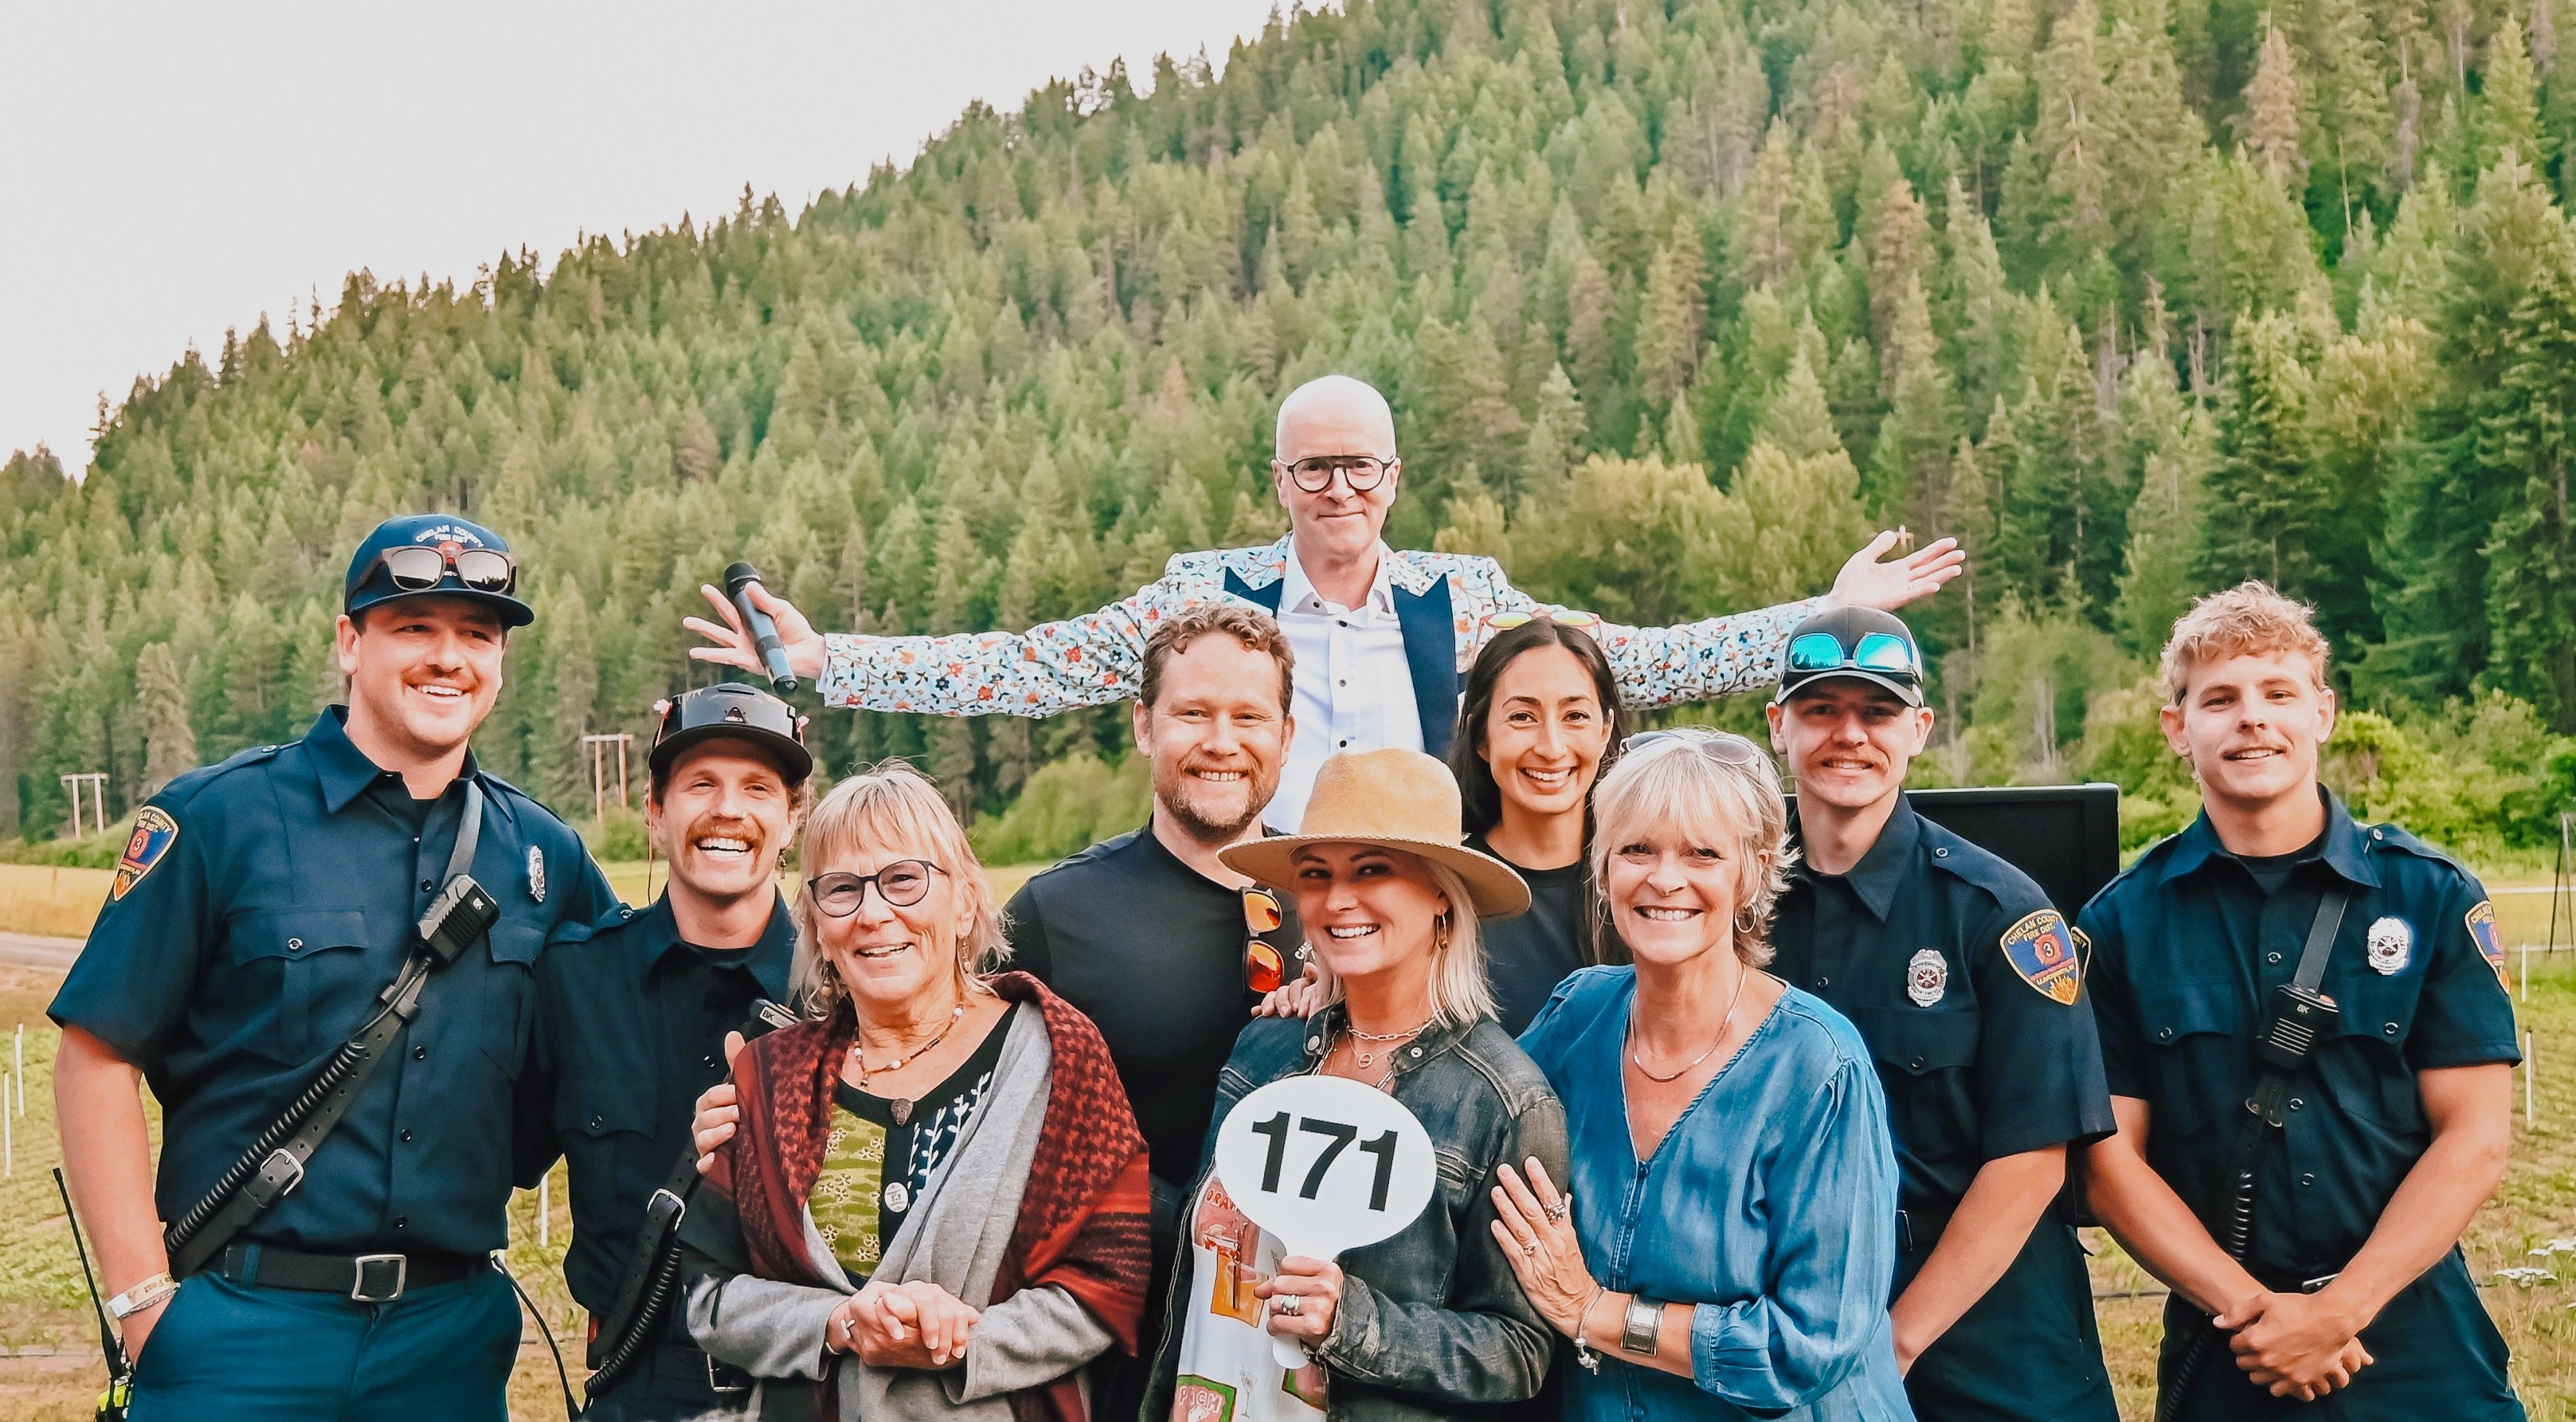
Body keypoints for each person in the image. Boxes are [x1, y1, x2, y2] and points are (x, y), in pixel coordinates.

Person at [683, 374, 1964, 832]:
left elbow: (1632, 663)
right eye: (1313, 467)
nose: (1338, 487)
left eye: (1359, 465)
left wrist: (1823, 613)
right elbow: (1031, 665)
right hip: (1239, 914)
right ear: (1279, 480)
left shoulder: (1462, 600)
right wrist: (828, 660)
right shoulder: (1205, 597)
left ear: (1394, 477)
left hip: (1429, 911)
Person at [49, 514, 616, 1421]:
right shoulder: (220, 819)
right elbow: (95, 1054)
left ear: (501, 662)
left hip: (449, 1344)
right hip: (241, 1333)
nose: (449, 657)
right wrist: (144, 1304)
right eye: (415, 627)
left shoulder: (545, 855)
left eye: (477, 634)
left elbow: (638, 1019)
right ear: (350, 642)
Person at [2078, 582, 2523, 1420]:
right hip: (2229, 1348)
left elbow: (2476, 1138)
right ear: (2177, 729)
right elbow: (2109, 1165)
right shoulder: (2121, 923)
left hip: (2418, 1342)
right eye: (2219, 699)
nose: (2252, 719)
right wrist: (2257, 1313)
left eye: (2278, 693)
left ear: (2323, 713)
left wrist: (2337, 1311)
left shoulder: (2430, 897)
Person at [679, 760, 1153, 1422]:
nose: (874, 913)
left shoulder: (1057, 1057)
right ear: (817, 927)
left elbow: (1110, 1281)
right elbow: (709, 1296)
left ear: (963, 902)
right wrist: (839, 1321)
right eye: (842, 889)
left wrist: (963, 1342)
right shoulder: (771, 1076)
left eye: (904, 879)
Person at [1760, 606, 2117, 1420]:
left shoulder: (2001, 914)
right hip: (1796, 1310)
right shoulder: (1739, 906)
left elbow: (2032, 1162)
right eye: (1822, 709)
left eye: (1877, 711)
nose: (1850, 734)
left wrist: (1891, 1345)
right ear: (1779, 725)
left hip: (1990, 1332)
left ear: (1919, 729)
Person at [1496, 730, 1911, 1421]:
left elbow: (1809, 1341)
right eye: (1637, 849)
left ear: (1752, 873)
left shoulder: (1819, 1067)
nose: (1665, 878)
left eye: (1702, 853)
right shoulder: (1576, 1017)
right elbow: (1469, 1125)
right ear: (1602, 868)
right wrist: (1348, 995)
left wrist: (1596, 1311)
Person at [1144, 748, 1568, 1421]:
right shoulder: (1265, 1047)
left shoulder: (1504, 1101)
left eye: (1373, 869)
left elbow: (1519, 1350)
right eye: (1316, 874)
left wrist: (1353, 1321)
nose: (1339, 899)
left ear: (1441, 893)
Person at [522, 682, 812, 1420]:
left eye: (757, 787)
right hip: (635, 1383)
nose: (728, 809)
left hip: (809, 1387)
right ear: (655, 811)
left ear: (792, 818)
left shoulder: (843, 993)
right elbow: (483, 1160)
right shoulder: (574, 979)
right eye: (700, 784)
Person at [1449, 613, 1627, 1035]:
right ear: (1481, 737)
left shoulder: (1647, 880)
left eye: (1575, 716)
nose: (1551, 747)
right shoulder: (1442, 889)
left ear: (1605, 731)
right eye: (1522, 717)